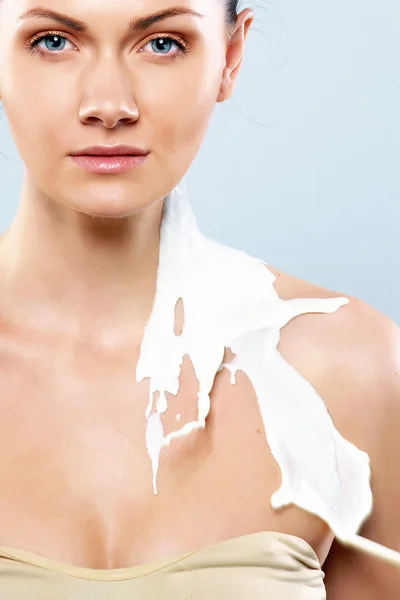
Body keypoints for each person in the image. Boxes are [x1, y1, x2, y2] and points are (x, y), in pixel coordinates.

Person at [0, 0, 398, 598]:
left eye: (162, 44)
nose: (110, 105)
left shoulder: (348, 370)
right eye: (54, 42)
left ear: (230, 58)